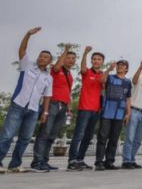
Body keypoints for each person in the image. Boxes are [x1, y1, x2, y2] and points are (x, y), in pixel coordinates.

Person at [0, 27, 52, 173]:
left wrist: (45, 112)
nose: (42, 58)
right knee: (7, 135)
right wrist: (28, 35)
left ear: (49, 61)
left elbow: (47, 96)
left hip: (34, 110)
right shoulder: (27, 65)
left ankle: (15, 164)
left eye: (45, 57)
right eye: (41, 56)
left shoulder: (48, 77)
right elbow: (22, 49)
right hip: (18, 105)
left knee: (25, 138)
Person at [32, 43, 76, 172]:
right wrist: (65, 50)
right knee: (44, 133)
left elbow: (68, 92)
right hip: (52, 104)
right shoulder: (55, 69)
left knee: (52, 135)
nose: (71, 60)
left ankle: (44, 161)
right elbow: (57, 66)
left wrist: (69, 108)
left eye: (73, 58)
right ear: (63, 58)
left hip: (63, 106)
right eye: (69, 57)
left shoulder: (70, 75)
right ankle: (37, 161)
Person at [67, 45, 104, 171]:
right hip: (84, 108)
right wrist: (85, 54)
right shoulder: (87, 72)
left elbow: (104, 84)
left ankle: (80, 159)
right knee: (78, 135)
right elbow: (82, 68)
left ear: (102, 62)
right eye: (94, 59)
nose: (96, 61)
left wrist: (110, 69)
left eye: (99, 59)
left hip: (96, 110)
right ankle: (72, 161)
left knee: (88, 136)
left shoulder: (103, 75)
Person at [95, 59, 132, 171]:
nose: (120, 66)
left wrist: (128, 113)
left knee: (114, 139)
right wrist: (109, 69)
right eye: (119, 65)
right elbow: (101, 79)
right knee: (102, 138)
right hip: (107, 111)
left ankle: (109, 161)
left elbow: (128, 98)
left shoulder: (128, 82)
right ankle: (99, 162)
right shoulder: (110, 77)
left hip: (120, 113)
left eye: (123, 65)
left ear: (126, 68)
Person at [121, 58, 142, 170]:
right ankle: (126, 161)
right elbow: (134, 81)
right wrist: (140, 68)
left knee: (138, 139)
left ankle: (132, 159)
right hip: (134, 111)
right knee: (130, 137)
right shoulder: (139, 79)